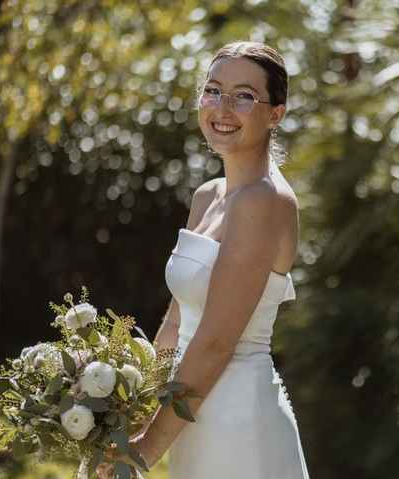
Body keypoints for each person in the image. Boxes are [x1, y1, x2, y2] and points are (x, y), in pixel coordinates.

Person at [97, 41, 310, 478]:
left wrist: (145, 448)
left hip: (239, 425)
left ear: (276, 113)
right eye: (213, 90)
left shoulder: (266, 202)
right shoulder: (207, 197)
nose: (222, 107)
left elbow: (215, 342)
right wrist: (129, 406)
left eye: (244, 96)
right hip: (189, 415)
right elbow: (177, 323)